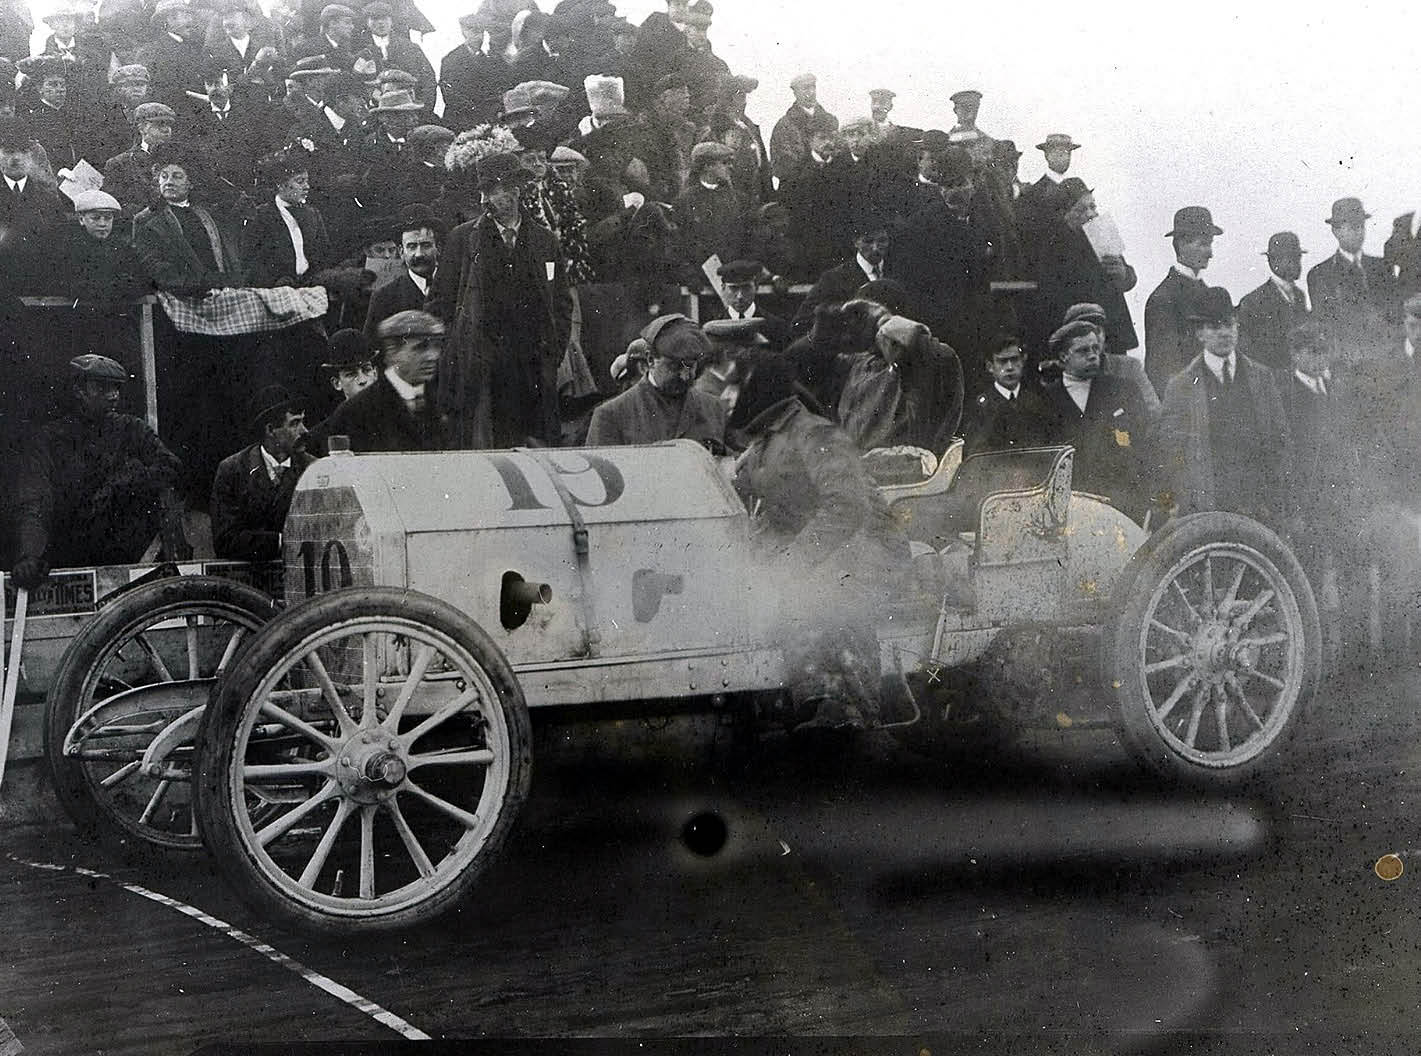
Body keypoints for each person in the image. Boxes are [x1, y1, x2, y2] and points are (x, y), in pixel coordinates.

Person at [728, 355, 911, 732]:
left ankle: (846, 709)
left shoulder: (815, 434)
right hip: (822, 548)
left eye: (737, 389)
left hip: (864, 547)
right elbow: (754, 498)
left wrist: (793, 562)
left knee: (821, 596)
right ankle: (810, 705)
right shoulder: (768, 439)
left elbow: (847, 508)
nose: (729, 400)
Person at [429, 150, 571, 448]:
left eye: (492, 191)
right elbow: (440, 303)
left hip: (532, 370)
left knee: (536, 449)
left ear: (515, 191)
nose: (484, 201)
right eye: (482, 192)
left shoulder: (545, 241)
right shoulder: (463, 239)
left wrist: (552, 355)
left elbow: (560, 303)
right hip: (482, 372)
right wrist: (456, 353)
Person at [10, 355, 187, 587]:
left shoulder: (132, 430)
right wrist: (29, 555)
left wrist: (123, 482)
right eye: (102, 388)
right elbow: (34, 503)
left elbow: (171, 466)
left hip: (130, 560)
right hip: (72, 559)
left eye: (116, 387)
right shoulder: (50, 439)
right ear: (79, 391)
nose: (113, 395)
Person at [1157, 287, 1291, 525]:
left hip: (1260, 506)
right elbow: (1171, 453)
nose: (1224, 333)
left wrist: (1275, 494)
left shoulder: (1262, 377)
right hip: (1209, 506)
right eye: (1214, 327)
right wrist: (1189, 498)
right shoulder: (1181, 386)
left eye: (1229, 324)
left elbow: (1280, 439)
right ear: (1200, 333)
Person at [1041, 320, 1156, 521]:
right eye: (1083, 351)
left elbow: (1146, 445)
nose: (1093, 355)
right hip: (1071, 509)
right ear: (1063, 356)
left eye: (1095, 348)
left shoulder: (1124, 390)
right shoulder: (1046, 400)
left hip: (1123, 505)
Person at [1028, 176, 1138, 360]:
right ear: (1064, 214)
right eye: (1081, 209)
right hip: (1080, 338)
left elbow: (1128, 279)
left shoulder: (1101, 234)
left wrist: (1124, 274)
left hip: (1113, 333)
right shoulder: (1053, 247)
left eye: (1093, 206)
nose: (1090, 214)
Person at [311, 309, 448, 451]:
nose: (432, 356)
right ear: (393, 352)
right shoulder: (353, 413)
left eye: (436, 346)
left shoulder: (444, 401)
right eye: (420, 347)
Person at [585, 313, 726, 447]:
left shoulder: (714, 408)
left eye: (690, 366)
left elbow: (730, 460)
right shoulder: (611, 416)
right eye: (674, 366)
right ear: (650, 360)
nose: (685, 375)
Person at [210, 385, 315, 560]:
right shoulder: (233, 470)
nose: (305, 431)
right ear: (270, 429)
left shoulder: (313, 469)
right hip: (249, 574)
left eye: (303, 421)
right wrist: (283, 542)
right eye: (295, 423)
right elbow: (225, 540)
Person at [1143, 205, 1220, 392]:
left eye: (1210, 244)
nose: (1210, 253)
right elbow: (1163, 371)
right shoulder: (1163, 299)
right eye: (1203, 244)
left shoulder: (1205, 292)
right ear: (1182, 244)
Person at [1307, 197, 1394, 360]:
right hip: (1345, 360)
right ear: (1336, 231)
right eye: (1353, 226)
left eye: (1361, 226)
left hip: (1383, 357)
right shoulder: (1320, 275)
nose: (1359, 232)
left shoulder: (1382, 268)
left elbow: (1393, 314)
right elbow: (1325, 324)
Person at [963, 332, 1058, 456]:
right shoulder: (980, 407)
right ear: (990, 367)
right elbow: (976, 452)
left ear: (1023, 361)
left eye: (1014, 360)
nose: (1009, 367)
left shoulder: (1039, 401)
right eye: (1002, 361)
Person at [792, 217, 892, 333]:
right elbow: (800, 321)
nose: (875, 248)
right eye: (868, 241)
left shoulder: (900, 273)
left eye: (882, 241)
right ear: (856, 242)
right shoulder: (832, 278)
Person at [365, 203, 441, 339]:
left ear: (438, 248)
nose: (419, 254)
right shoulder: (384, 297)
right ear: (401, 252)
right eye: (412, 246)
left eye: (426, 245)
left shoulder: (455, 288)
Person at [1237, 231, 1311, 370]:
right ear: (1273, 262)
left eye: (1298, 258)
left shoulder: (1299, 295)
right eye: (1291, 259)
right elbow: (1246, 349)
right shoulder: (1253, 301)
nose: (1297, 264)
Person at [673, 139, 744, 270]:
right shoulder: (685, 201)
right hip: (699, 272)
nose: (730, 167)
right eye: (724, 163)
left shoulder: (738, 199)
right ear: (707, 166)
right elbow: (681, 243)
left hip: (735, 270)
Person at [102, 100, 177, 216]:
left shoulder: (180, 159)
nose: (166, 129)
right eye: (160, 124)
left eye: (169, 124)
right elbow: (114, 207)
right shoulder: (120, 163)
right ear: (142, 128)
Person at [704, 259, 789, 351]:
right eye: (734, 288)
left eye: (746, 288)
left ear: (756, 287)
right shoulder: (713, 328)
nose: (740, 296)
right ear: (723, 289)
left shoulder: (776, 326)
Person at [768, 72, 838, 184]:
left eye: (813, 87)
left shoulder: (830, 121)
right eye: (806, 88)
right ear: (795, 93)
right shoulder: (784, 126)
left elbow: (839, 153)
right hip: (797, 187)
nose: (811, 92)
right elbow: (780, 166)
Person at [320, 327, 377, 403]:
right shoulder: (341, 412)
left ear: (375, 374)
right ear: (337, 383)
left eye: (367, 370)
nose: (362, 380)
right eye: (351, 374)